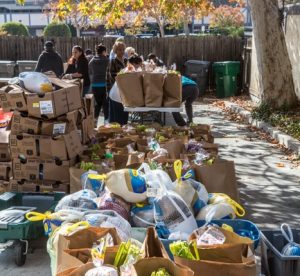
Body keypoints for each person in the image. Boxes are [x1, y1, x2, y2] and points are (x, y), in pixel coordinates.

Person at [106, 41, 128, 125]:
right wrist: (124, 75)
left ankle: (123, 133)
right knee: (116, 116)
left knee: (124, 114)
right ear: (115, 51)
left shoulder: (126, 61)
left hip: (125, 92)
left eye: (123, 49)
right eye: (119, 50)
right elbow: (112, 76)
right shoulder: (113, 61)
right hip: (115, 92)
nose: (121, 51)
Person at [89, 44, 109, 122]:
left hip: (95, 85)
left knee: (97, 104)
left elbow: (90, 71)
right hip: (104, 85)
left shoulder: (92, 60)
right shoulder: (107, 60)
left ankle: (95, 120)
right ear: (104, 51)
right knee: (105, 104)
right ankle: (106, 120)